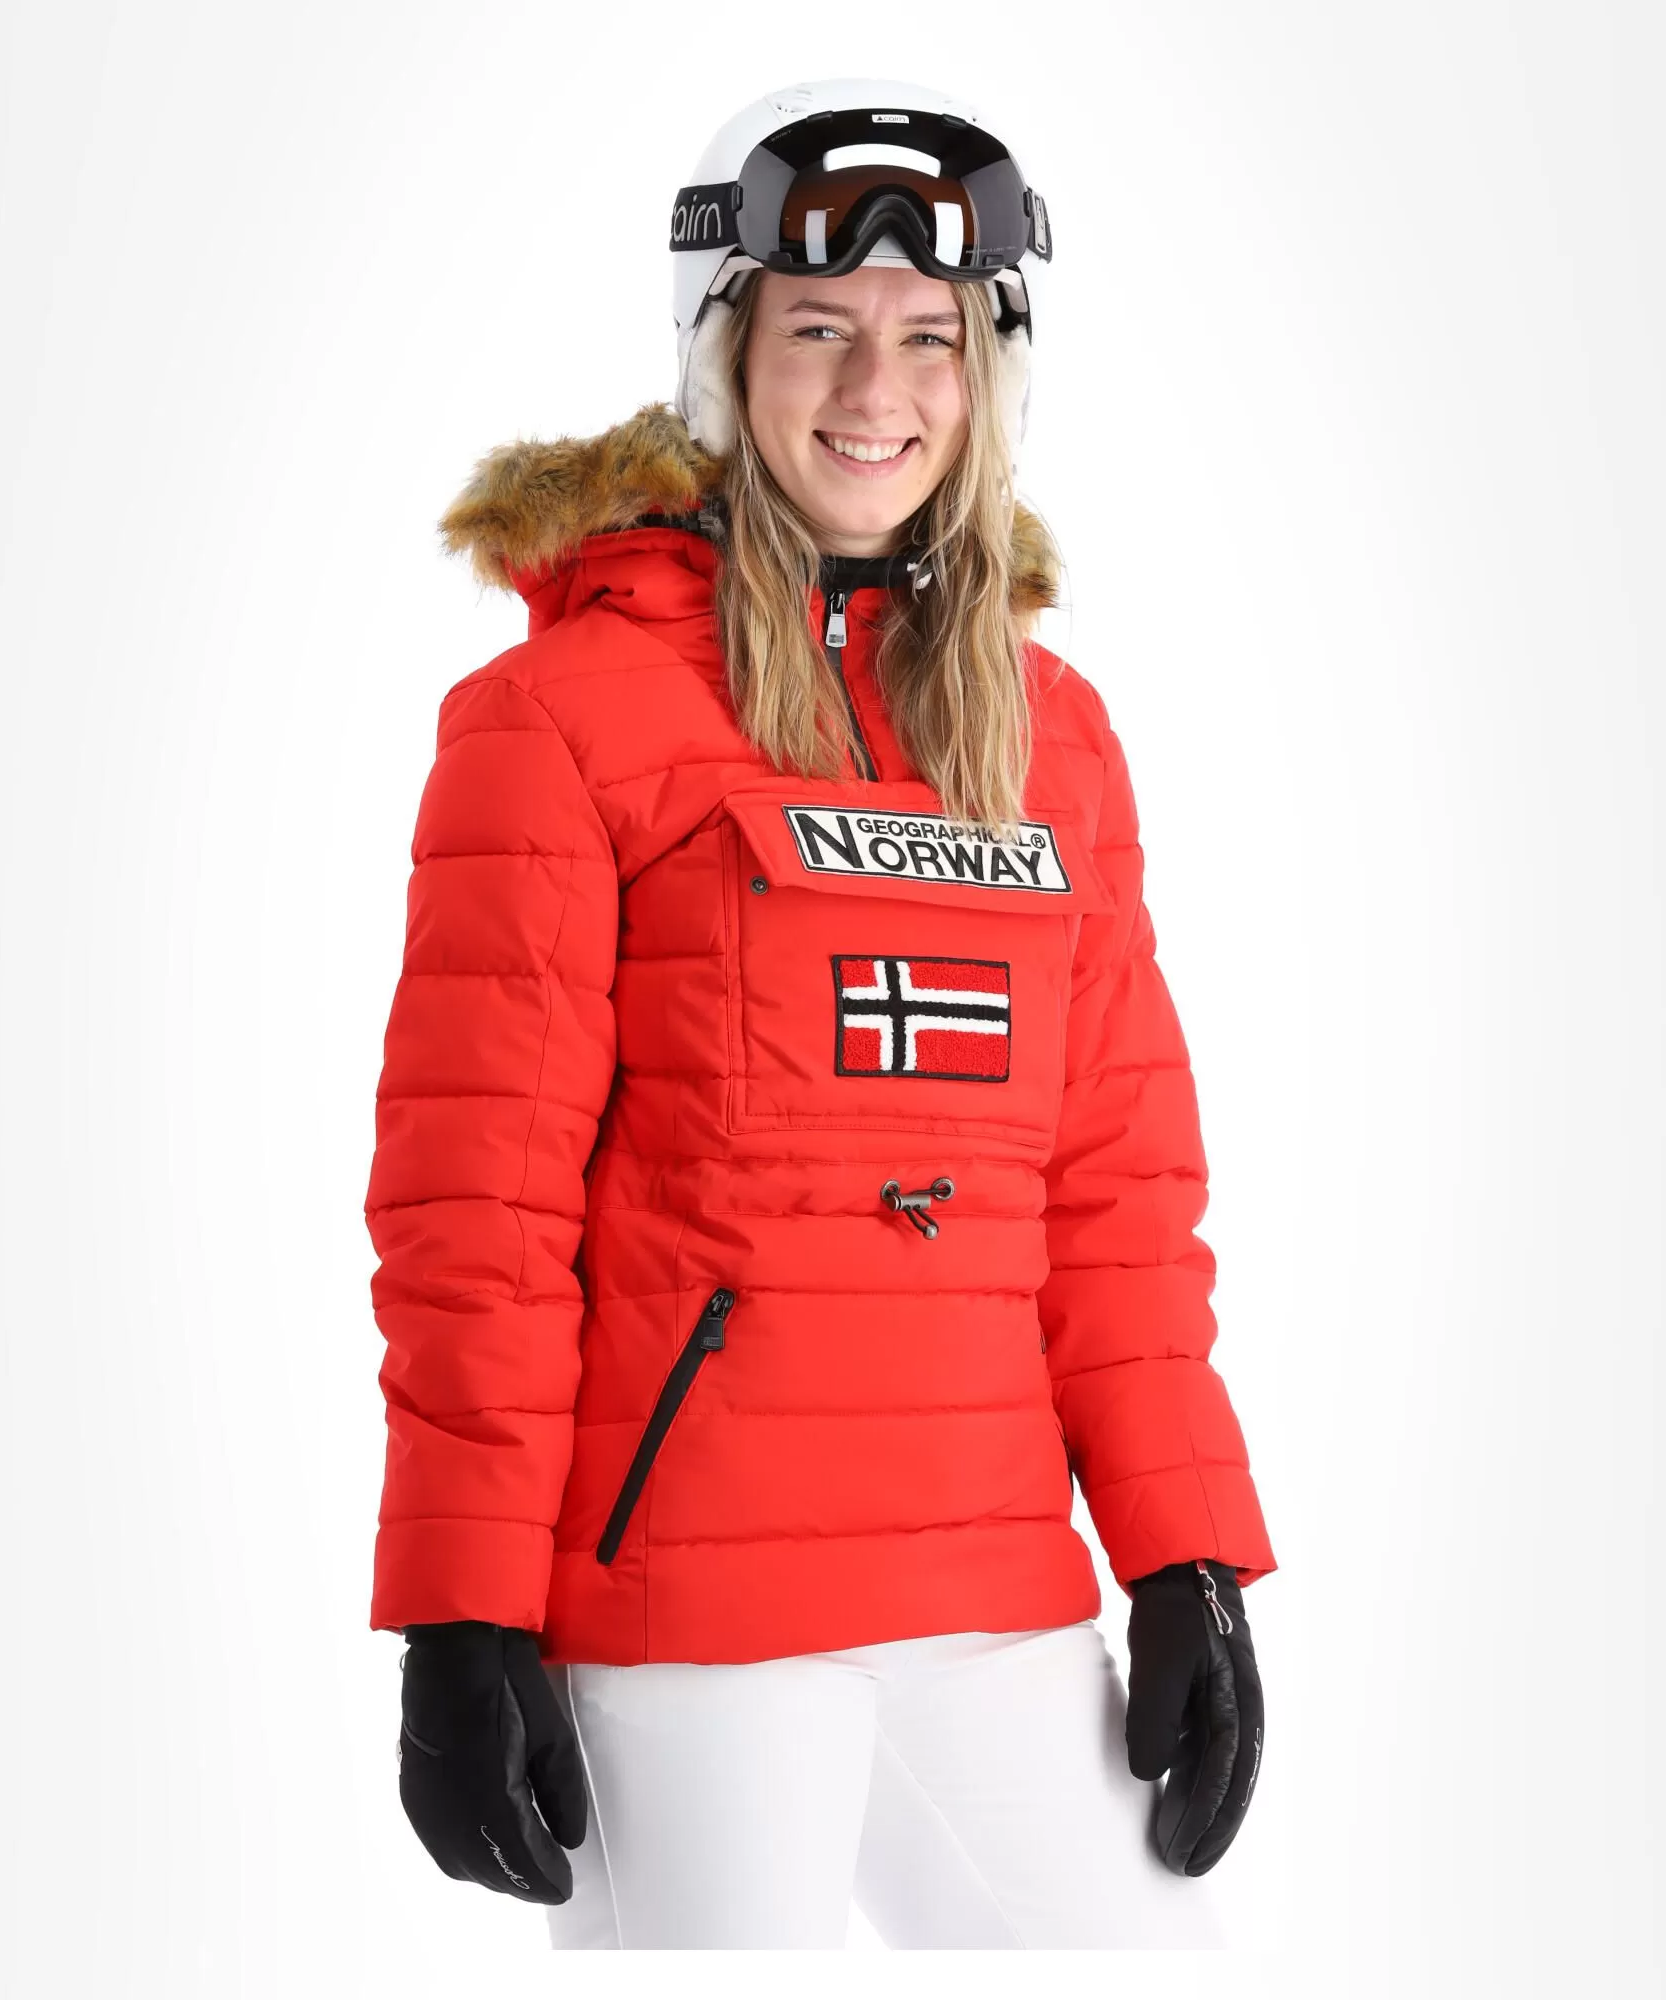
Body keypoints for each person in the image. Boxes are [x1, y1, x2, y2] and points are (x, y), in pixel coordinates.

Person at [366, 76, 1278, 1950]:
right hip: (693, 1623)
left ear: (989, 373)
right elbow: (480, 1212)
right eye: (818, 331)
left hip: (999, 1589)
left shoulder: (1053, 738)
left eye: (930, 336)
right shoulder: (556, 720)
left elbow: (1114, 1197)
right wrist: (460, 1605)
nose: (879, 388)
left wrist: (1185, 1547)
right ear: (723, 359)